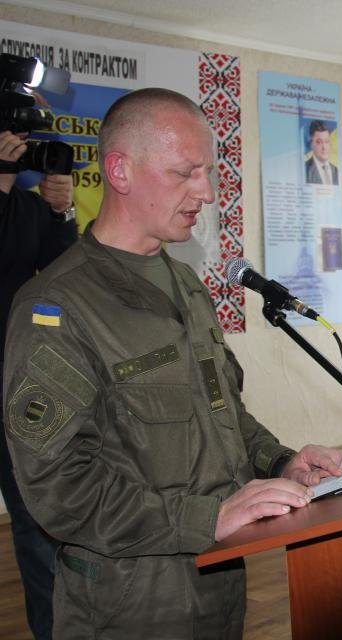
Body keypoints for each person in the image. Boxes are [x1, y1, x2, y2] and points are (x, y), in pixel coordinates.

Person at [2, 88, 342, 639]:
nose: (206, 192)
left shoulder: (186, 285)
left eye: (207, 172)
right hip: (128, 605)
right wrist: (206, 518)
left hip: (218, 582)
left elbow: (223, 414)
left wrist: (281, 463)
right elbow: (58, 488)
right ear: (120, 171)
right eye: (185, 173)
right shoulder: (58, 306)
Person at [1, 128, 76, 640]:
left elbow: (58, 272)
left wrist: (59, 213)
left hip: (19, 378)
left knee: (36, 519)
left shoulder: (29, 208)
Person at [304, 120, 339, 185]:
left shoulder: (337, 171)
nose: (324, 147)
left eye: (326, 141)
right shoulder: (304, 170)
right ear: (311, 143)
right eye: (319, 142)